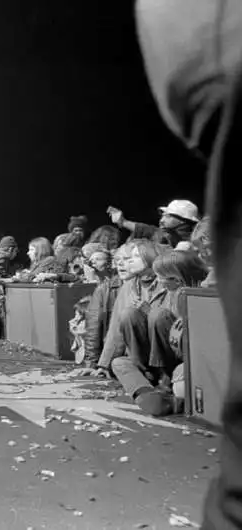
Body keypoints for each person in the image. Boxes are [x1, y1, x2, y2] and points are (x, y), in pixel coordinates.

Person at [134, 1, 242, 525]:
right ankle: (139, 377)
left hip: (186, 322)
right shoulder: (170, 242)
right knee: (136, 320)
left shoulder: (188, 248)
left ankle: (148, 380)